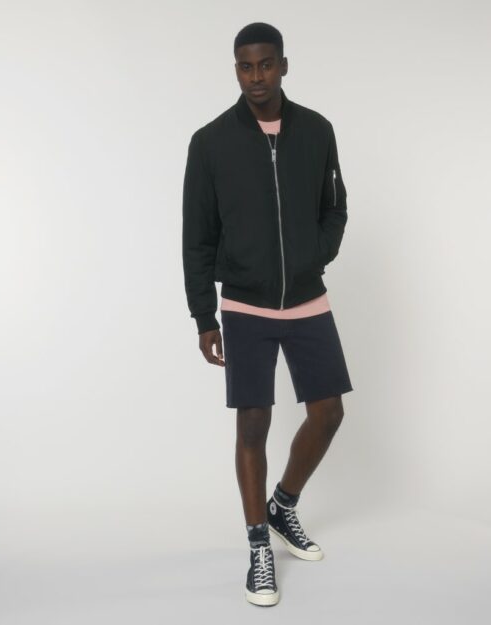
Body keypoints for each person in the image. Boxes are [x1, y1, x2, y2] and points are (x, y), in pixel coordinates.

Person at [182, 22, 353, 607]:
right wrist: (204, 316)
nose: (256, 76)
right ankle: (259, 543)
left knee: (328, 413)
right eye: (245, 66)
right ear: (236, 69)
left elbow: (336, 207)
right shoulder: (210, 142)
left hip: (307, 298)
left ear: (284, 65)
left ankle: (283, 505)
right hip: (245, 304)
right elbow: (197, 237)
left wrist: (313, 254)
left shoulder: (317, 130)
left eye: (266, 64)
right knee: (252, 424)